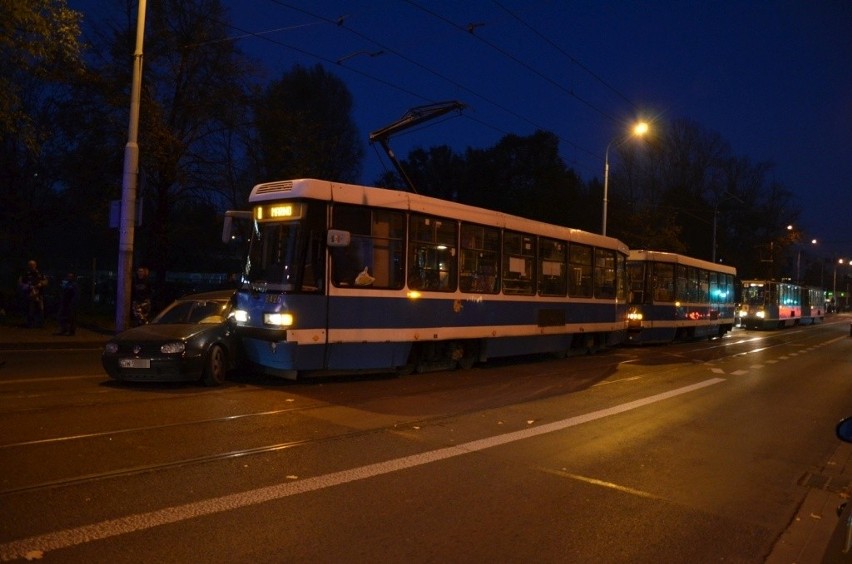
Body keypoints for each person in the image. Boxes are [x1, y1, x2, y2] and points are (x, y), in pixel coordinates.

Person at [18, 260, 47, 328]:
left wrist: (41, 284)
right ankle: (30, 324)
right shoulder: (25, 274)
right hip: (29, 294)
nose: (32, 266)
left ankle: (40, 324)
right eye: (30, 265)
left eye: (33, 265)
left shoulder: (40, 273)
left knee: (40, 309)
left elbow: (46, 281)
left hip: (39, 294)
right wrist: (28, 286)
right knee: (30, 309)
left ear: (35, 265)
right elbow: (20, 283)